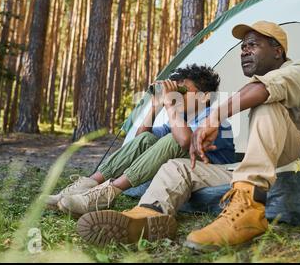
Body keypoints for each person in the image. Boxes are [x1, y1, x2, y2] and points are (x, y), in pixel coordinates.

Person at [75, 21, 300, 249]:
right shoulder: (249, 88)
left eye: (253, 45)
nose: (244, 51)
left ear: (278, 51)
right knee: (176, 167)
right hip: (246, 166)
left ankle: (249, 210)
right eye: (242, 47)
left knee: (266, 102)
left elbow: (264, 89)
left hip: (291, 160)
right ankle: (148, 215)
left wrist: (214, 118)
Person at [45, 64, 236, 218]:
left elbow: (184, 141)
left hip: (211, 172)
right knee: (147, 137)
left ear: (203, 97)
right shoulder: (182, 120)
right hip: (188, 164)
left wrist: (169, 105)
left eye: (183, 89)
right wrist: (154, 106)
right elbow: (140, 141)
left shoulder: (214, 118)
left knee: (173, 139)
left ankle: (107, 194)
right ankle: (89, 184)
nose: (177, 95)